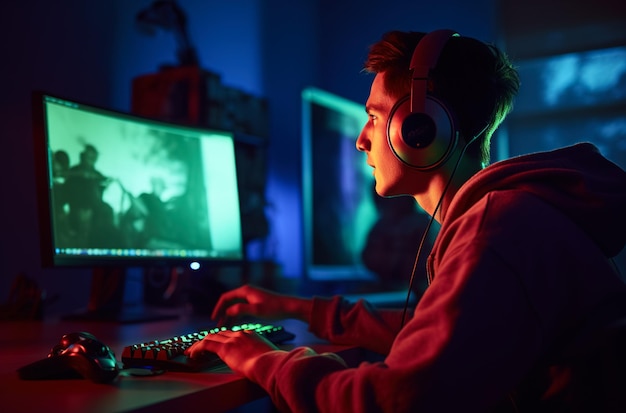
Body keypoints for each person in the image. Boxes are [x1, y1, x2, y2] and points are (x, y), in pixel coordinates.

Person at [185, 29, 626, 412]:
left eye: (374, 117)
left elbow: (392, 401)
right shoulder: (505, 217)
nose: (361, 141)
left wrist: (265, 360)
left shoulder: (496, 231)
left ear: (421, 129)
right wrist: (298, 308)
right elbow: (432, 332)